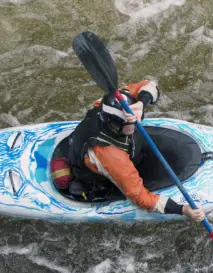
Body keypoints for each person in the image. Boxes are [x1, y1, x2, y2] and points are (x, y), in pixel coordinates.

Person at [64, 80, 205, 221]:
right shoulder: (111, 155)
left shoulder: (107, 103)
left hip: (122, 153)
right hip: (100, 177)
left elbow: (149, 84)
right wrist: (182, 209)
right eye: (129, 125)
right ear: (113, 125)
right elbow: (139, 197)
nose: (135, 125)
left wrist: (141, 103)